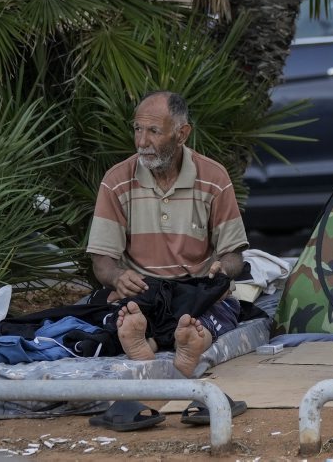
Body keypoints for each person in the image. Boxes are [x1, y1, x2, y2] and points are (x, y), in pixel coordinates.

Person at [86, 91, 248, 376]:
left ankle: (184, 342)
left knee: (218, 312)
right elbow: (102, 262)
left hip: (196, 292)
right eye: (138, 129)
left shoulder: (214, 178)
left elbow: (233, 255)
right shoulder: (115, 181)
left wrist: (223, 267)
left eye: (153, 131)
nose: (141, 142)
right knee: (119, 315)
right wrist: (116, 277)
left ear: (182, 133)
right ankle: (148, 340)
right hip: (144, 294)